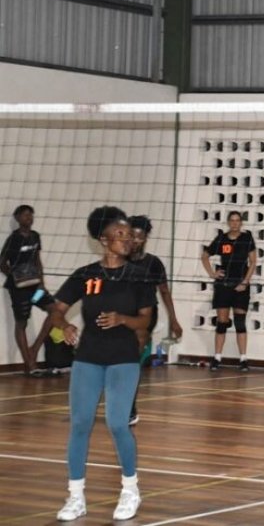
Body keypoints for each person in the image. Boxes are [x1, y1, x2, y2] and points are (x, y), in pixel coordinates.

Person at [51, 206, 156, 521]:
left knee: (116, 424)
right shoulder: (85, 274)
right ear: (103, 239)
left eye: (129, 235)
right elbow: (57, 309)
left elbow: (145, 323)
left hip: (123, 359)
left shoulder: (139, 276)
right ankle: (75, 496)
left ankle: (130, 489)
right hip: (87, 359)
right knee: (80, 424)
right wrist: (64, 327)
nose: (128, 240)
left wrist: (122, 319)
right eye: (120, 234)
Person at [128, 215, 184, 425]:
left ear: (145, 238)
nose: (135, 241)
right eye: (132, 236)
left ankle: (130, 408)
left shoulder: (153, 263)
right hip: (122, 316)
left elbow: (164, 292)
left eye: (139, 237)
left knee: (132, 361)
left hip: (146, 317)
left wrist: (174, 320)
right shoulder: (119, 260)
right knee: (116, 362)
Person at [0, 204, 55, 375]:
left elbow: (37, 260)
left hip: (36, 288)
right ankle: (29, 365)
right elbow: (2, 262)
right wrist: (15, 276)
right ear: (17, 219)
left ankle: (35, 347)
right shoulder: (13, 239)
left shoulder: (35, 237)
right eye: (24, 215)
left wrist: (42, 282)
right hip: (19, 289)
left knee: (55, 311)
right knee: (21, 322)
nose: (28, 218)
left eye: (30, 215)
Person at [201, 210, 256, 371]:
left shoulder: (247, 239)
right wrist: (212, 273)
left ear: (241, 223)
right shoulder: (221, 239)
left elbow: (253, 262)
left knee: (240, 323)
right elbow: (205, 256)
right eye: (232, 220)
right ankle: (217, 358)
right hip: (223, 285)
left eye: (237, 220)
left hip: (240, 285)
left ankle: (243, 359)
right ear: (228, 222)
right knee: (222, 323)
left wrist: (245, 282)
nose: (234, 223)